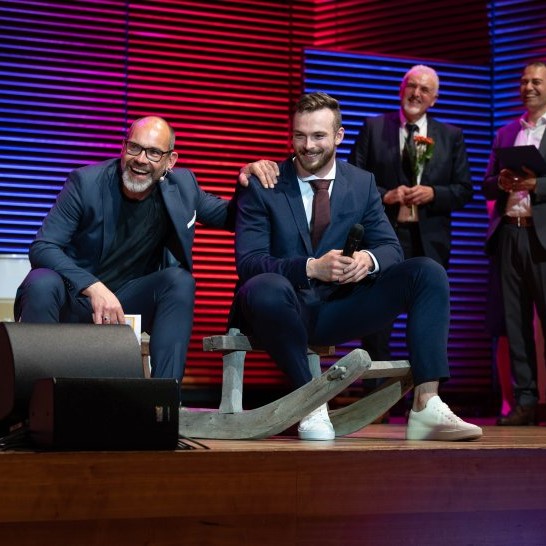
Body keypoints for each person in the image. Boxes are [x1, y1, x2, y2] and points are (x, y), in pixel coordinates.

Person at [232, 91, 482, 441]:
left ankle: (427, 403)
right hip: (278, 310)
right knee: (264, 286)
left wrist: (369, 259)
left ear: (338, 135)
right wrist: (311, 267)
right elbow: (249, 263)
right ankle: (311, 402)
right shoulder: (264, 182)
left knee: (427, 272)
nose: (308, 145)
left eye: (318, 136)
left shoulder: (362, 183)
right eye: (299, 135)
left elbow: (390, 248)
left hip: (337, 310)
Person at [14, 116, 267, 383]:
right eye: (134, 147)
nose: (141, 159)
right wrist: (94, 287)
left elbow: (231, 217)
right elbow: (43, 246)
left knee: (179, 281)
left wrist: (247, 184)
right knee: (41, 281)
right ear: (123, 148)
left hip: (128, 304)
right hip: (75, 299)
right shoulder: (85, 183)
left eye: (154, 152)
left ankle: (165, 400)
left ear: (170, 161)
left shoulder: (183, 186)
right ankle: (34, 403)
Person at [347, 64, 473, 363]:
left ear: (434, 98)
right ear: (401, 89)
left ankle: (424, 397)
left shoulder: (451, 136)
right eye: (411, 86)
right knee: (376, 321)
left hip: (429, 242)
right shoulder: (374, 127)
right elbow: (351, 181)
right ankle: (374, 402)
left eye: (424, 89)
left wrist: (434, 193)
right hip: (382, 238)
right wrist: (385, 195)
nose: (416, 93)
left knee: (427, 321)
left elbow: (464, 190)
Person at [483, 60, 546, 426]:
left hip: (542, 237)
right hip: (508, 232)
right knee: (515, 323)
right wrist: (501, 182)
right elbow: (487, 183)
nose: (528, 87)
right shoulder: (507, 132)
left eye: (536, 81)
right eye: (524, 82)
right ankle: (524, 402)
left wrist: (538, 186)